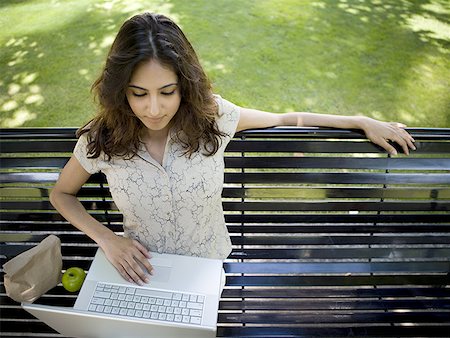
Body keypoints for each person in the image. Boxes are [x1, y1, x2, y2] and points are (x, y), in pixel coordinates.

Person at [50, 12, 416, 286]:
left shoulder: (214, 116)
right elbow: (62, 194)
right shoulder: (104, 139)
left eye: (167, 91)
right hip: (143, 271)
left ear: (185, 86)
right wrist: (108, 240)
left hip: (209, 267)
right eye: (139, 94)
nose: (154, 109)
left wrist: (358, 121)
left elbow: (289, 118)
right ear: (120, 90)